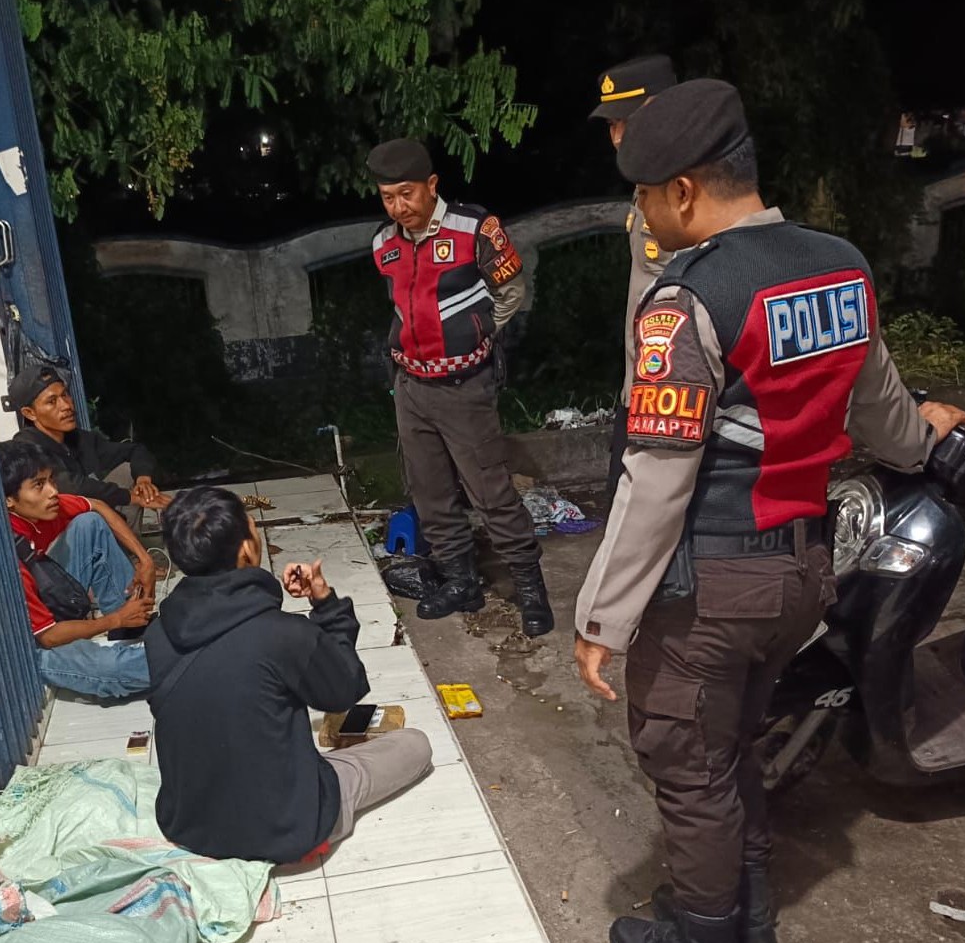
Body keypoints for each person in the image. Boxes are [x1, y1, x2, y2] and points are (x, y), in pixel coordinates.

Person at [571, 80, 965, 943]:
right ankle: (748, 925)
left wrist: (601, 618)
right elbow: (885, 415)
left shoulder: (689, 297)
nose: (642, 214)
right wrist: (929, 436)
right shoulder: (838, 266)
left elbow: (656, 479)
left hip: (711, 586)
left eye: (643, 195)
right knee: (732, 748)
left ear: (681, 191)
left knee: (687, 763)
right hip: (802, 570)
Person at [145, 486, 433, 863]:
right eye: (252, 526)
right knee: (415, 744)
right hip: (287, 828)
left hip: (189, 826)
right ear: (246, 549)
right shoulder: (282, 634)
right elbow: (343, 690)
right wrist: (325, 603)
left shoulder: (158, 633)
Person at [365, 138, 553, 637]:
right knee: (430, 492)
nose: (398, 207)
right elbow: (401, 307)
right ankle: (461, 582)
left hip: (464, 387)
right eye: (388, 197)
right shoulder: (383, 243)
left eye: (407, 194)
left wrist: (479, 332)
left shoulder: (474, 229)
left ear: (431, 185)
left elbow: (511, 291)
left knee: (490, 490)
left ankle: (530, 587)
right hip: (411, 387)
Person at [0, 441, 156, 700]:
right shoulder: (7, 555)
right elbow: (49, 637)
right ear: (9, 500)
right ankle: (178, 660)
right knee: (113, 668)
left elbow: (98, 505)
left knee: (89, 523)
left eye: (51, 480)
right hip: (35, 643)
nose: (53, 492)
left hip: (51, 598)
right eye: (39, 485)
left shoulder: (44, 507)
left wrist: (144, 560)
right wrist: (114, 619)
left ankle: (132, 627)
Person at [588, 54, 679, 500]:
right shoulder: (646, 185)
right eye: (611, 125)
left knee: (640, 520)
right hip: (640, 385)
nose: (618, 136)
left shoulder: (687, 189)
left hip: (675, 396)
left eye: (626, 120)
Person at [7, 363, 171, 533]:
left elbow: (134, 450)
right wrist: (130, 497)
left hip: (100, 517)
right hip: (66, 535)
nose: (66, 406)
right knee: (89, 515)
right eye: (52, 401)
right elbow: (70, 486)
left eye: (65, 395)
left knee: (128, 469)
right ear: (30, 413)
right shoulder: (26, 446)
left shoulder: (79, 438)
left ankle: (130, 543)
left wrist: (143, 481)